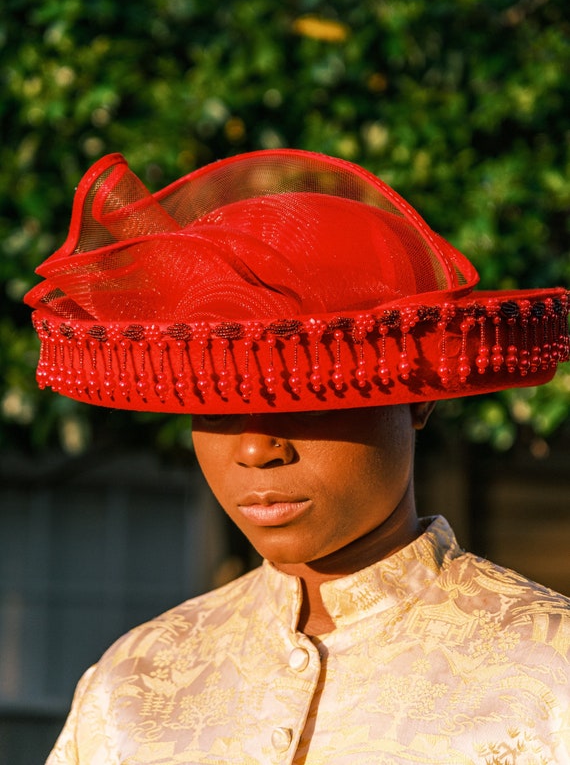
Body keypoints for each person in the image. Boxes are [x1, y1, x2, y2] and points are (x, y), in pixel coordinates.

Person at [25, 149, 570, 764]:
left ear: (419, 399)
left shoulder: (553, 679)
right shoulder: (130, 686)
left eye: (310, 392)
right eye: (217, 399)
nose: (257, 447)